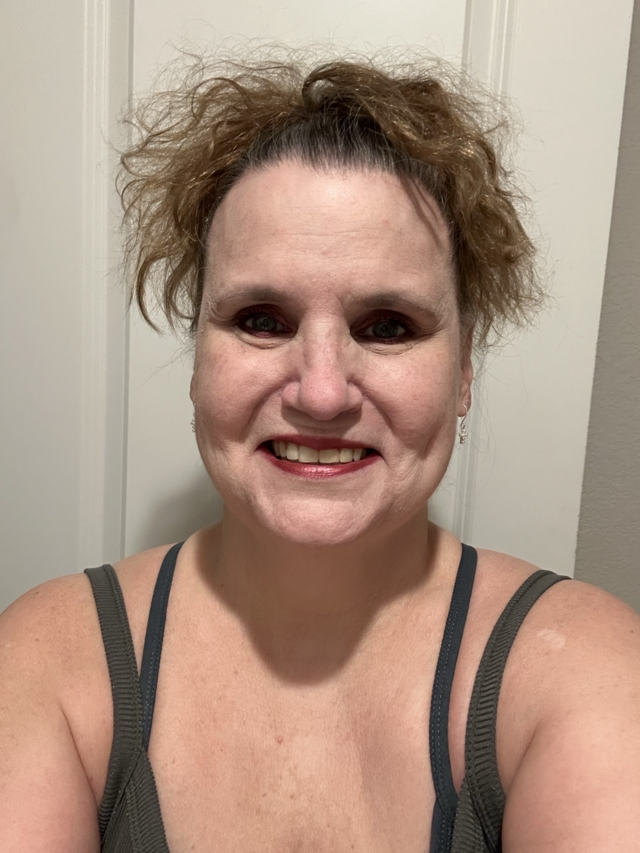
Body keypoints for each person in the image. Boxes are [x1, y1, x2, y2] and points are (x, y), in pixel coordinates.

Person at [1, 52, 639, 853]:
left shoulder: (580, 667)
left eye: (388, 326)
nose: (323, 392)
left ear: (465, 370)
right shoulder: (48, 658)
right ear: (198, 359)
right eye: (262, 320)